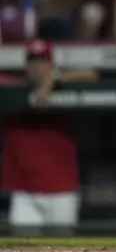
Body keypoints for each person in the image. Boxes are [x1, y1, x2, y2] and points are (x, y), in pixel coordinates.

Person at [1, 40, 98, 236]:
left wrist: (54, 80)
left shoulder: (64, 87)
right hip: (24, 193)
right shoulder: (11, 91)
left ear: (51, 64)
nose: (38, 67)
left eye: (43, 61)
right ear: (26, 66)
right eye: (33, 61)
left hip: (61, 191)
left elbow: (92, 75)